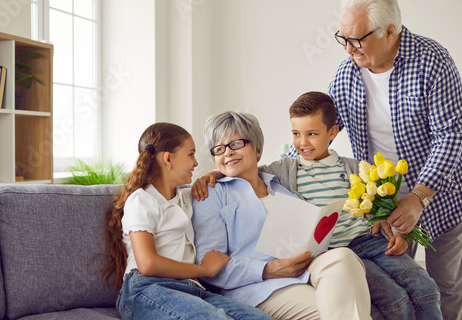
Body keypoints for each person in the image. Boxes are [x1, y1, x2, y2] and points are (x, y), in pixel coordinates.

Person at [296, 1, 461, 319]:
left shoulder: (432, 62)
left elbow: (452, 136)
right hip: (382, 206)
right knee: (399, 288)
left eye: (357, 39)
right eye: (342, 38)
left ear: (390, 31)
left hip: (441, 196)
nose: (348, 49)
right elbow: (319, 132)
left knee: (446, 287)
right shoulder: (347, 75)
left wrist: (418, 198)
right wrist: (258, 173)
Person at [264, 92, 440, 319]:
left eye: (312, 134)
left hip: (372, 242)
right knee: (395, 299)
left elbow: (381, 211)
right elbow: (247, 172)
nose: (302, 142)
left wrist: (398, 234)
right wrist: (213, 174)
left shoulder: (355, 167)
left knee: (427, 289)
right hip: (338, 253)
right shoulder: (284, 169)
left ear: (332, 133)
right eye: (296, 134)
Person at [192, 111, 372, 320]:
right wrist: (267, 270)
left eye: (236, 144)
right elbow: (209, 265)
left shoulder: (281, 186)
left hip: (306, 268)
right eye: (219, 149)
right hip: (261, 287)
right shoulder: (210, 195)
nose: (228, 153)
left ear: (257, 149)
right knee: (329, 312)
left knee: (343, 257)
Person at [101, 122, 273, 320]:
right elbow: (147, 264)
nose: (196, 163)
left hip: (190, 288)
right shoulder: (142, 200)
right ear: (168, 158)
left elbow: (219, 178)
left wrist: (213, 173)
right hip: (147, 287)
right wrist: (203, 270)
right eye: (191, 154)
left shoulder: (186, 196)